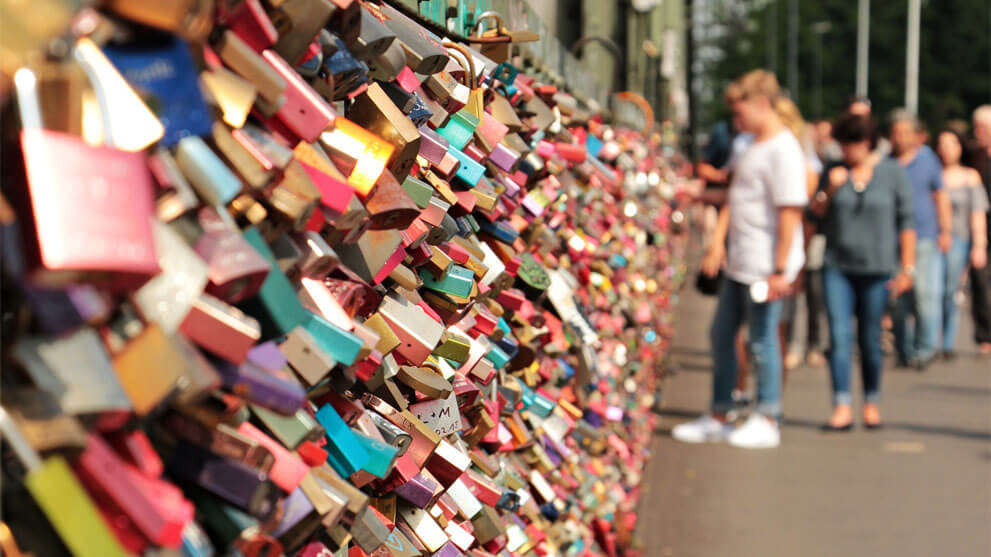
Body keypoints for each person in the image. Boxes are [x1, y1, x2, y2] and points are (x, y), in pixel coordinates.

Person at [673, 70, 807, 449]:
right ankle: (721, 412)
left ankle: (768, 416)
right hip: (741, 259)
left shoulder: (785, 150)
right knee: (722, 335)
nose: (736, 121)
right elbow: (736, 196)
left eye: (740, 112)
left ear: (761, 104)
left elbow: (790, 214)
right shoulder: (746, 143)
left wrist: (781, 270)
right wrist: (716, 242)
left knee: (762, 341)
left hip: (767, 265)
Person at [809, 114, 916, 430]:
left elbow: (906, 223)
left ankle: (871, 400)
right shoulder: (834, 170)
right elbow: (813, 214)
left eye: (850, 144)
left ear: (866, 143)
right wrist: (829, 188)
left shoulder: (891, 173)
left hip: (878, 268)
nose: (845, 150)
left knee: (870, 339)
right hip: (837, 267)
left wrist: (907, 268)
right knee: (840, 336)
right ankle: (842, 404)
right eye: (841, 144)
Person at [889, 110, 953, 370]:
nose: (901, 138)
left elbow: (941, 196)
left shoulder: (928, 161)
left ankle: (925, 349)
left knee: (927, 296)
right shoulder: (886, 163)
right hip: (893, 240)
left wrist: (945, 230)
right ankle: (903, 349)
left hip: (925, 237)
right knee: (897, 300)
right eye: (897, 133)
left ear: (915, 136)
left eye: (906, 132)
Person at [937, 129, 989, 358]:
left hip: (959, 239)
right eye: (942, 144)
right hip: (932, 238)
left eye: (952, 143)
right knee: (930, 292)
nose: (946, 149)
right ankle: (928, 338)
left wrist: (979, 245)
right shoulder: (933, 174)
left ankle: (946, 342)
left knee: (950, 290)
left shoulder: (970, 176)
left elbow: (977, 213)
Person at [966, 105, 991, 356]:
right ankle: (985, 334)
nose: (978, 132)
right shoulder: (972, 156)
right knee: (981, 284)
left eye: (982, 128)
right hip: (978, 227)